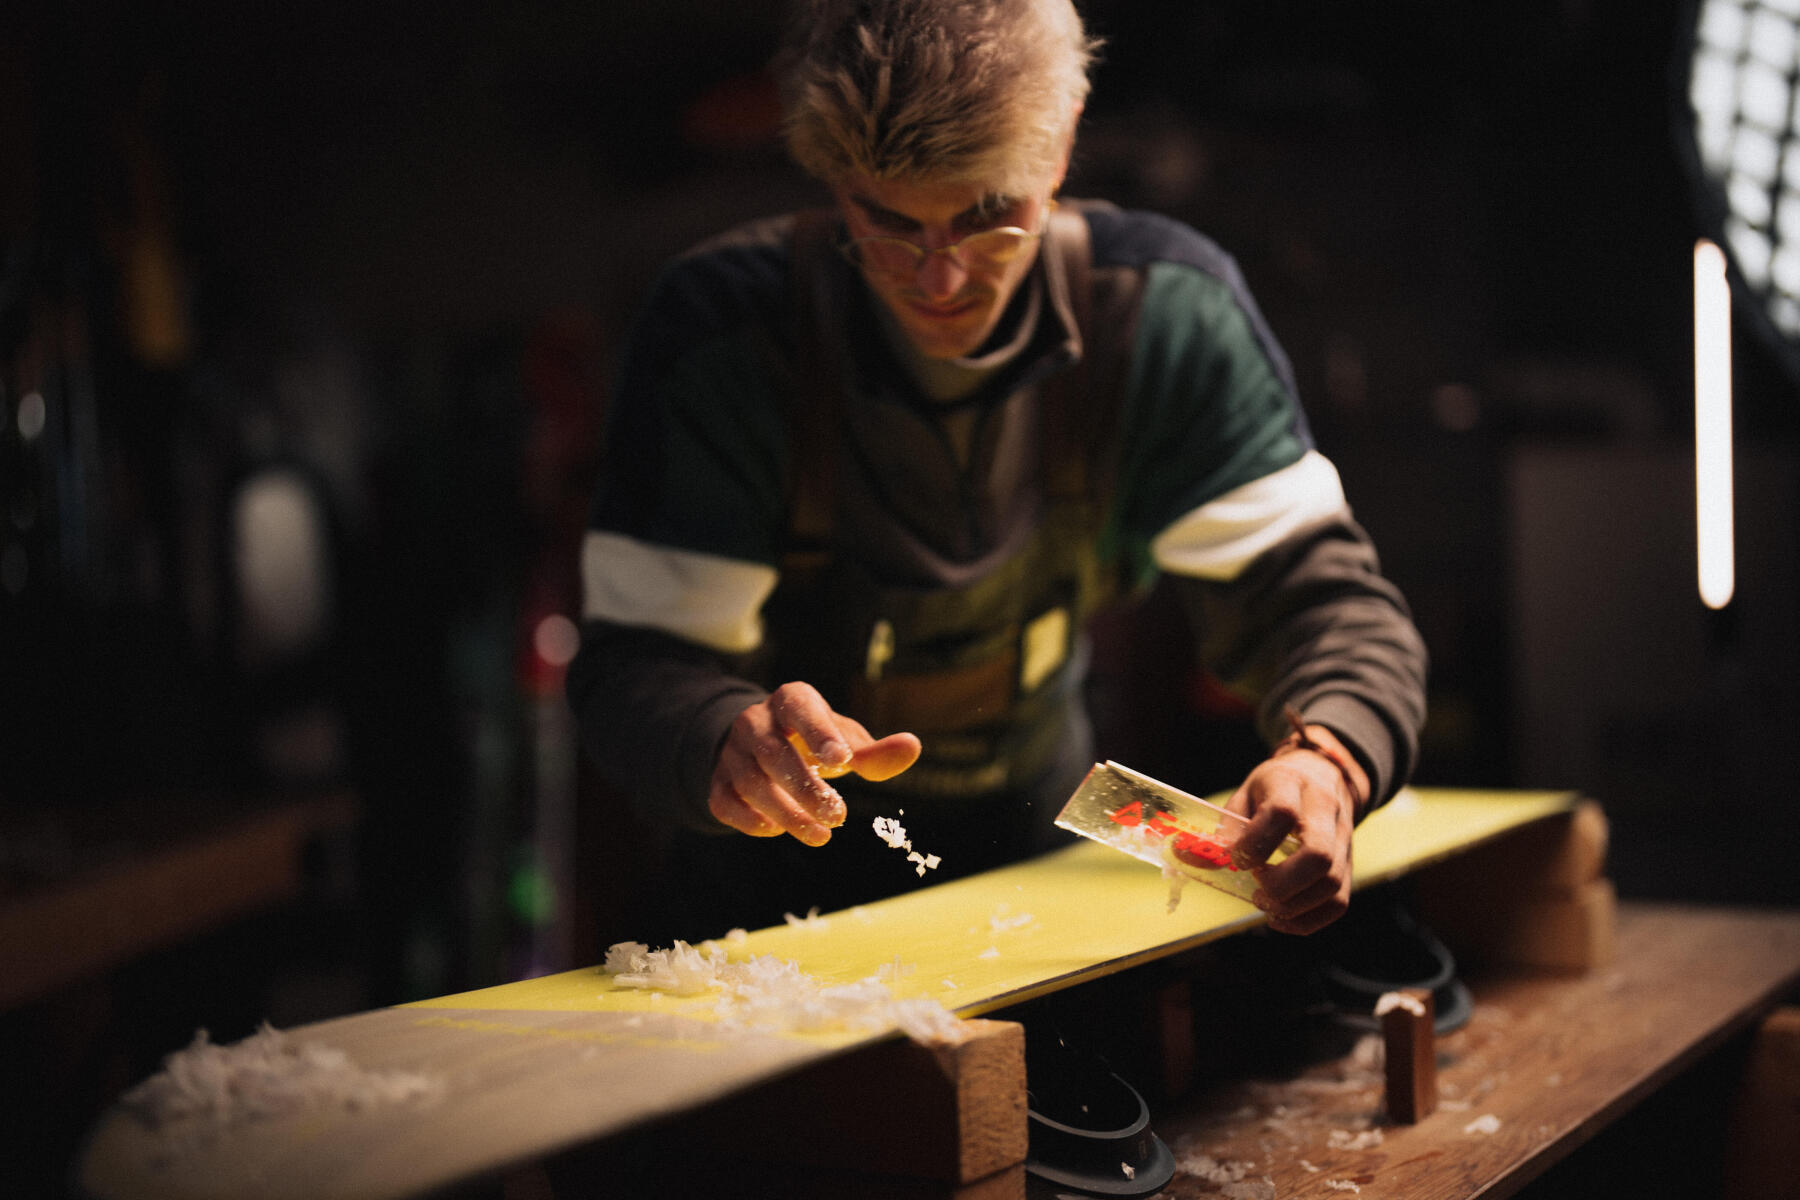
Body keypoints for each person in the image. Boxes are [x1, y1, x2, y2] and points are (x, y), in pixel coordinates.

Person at [567, 0, 1427, 944]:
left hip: (1052, 879)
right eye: (889, 224)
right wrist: (719, 734)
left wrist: (1327, 760)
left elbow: (1329, 608)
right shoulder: (725, 338)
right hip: (766, 917)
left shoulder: (1159, 320)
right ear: (833, 179)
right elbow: (635, 667)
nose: (939, 282)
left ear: (1058, 154)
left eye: (989, 218)